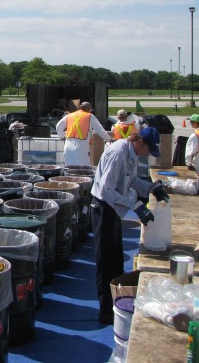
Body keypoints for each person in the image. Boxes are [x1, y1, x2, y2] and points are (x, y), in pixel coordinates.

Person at [90, 127, 169, 325]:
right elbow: (106, 190)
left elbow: (131, 180)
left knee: (116, 258)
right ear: (140, 142)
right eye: (148, 150)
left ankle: (118, 303)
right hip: (103, 208)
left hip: (114, 210)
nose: (148, 154)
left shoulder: (131, 153)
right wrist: (135, 205)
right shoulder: (118, 153)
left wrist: (152, 188)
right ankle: (105, 310)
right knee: (105, 261)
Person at [55, 102, 112, 166]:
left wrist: (62, 137)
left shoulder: (69, 115)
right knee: (83, 171)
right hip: (81, 148)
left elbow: (58, 126)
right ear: (88, 109)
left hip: (68, 147)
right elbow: (99, 129)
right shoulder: (90, 116)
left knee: (69, 171)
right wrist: (109, 139)